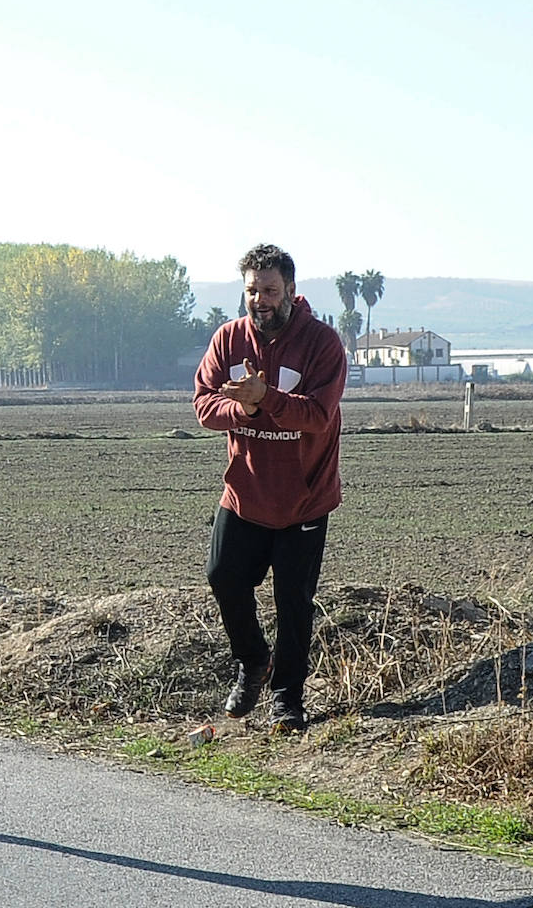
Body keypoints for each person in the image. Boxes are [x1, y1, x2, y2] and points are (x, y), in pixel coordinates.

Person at [194, 243, 347, 733]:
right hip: (245, 493)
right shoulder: (228, 339)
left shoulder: (322, 344)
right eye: (252, 290)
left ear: (291, 290)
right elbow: (204, 406)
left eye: (270, 290)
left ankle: (287, 700)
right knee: (223, 576)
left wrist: (267, 397)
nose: (260, 300)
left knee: (293, 603)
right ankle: (253, 660)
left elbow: (318, 416)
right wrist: (243, 408)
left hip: (305, 498)